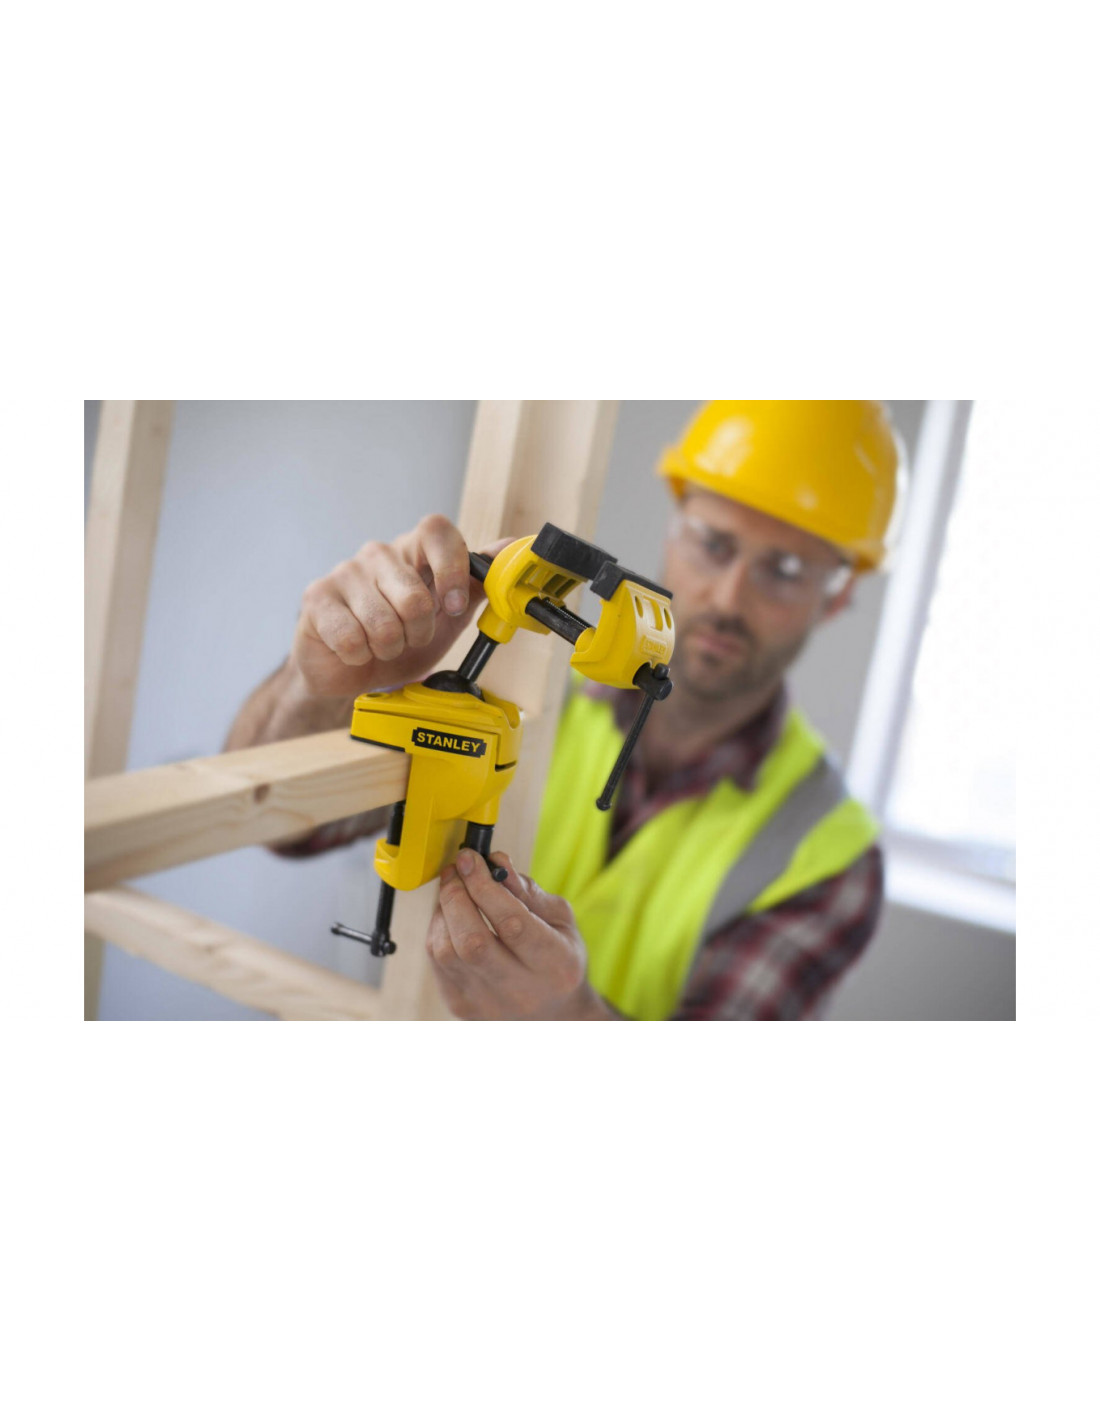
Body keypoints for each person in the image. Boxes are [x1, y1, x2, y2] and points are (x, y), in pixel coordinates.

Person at [226, 401, 904, 1020]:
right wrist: (320, 685)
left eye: (785, 570)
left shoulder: (828, 856)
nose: (728, 598)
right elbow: (283, 827)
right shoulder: (528, 697)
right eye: (714, 544)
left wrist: (569, 1020)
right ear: (674, 531)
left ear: (839, 596)